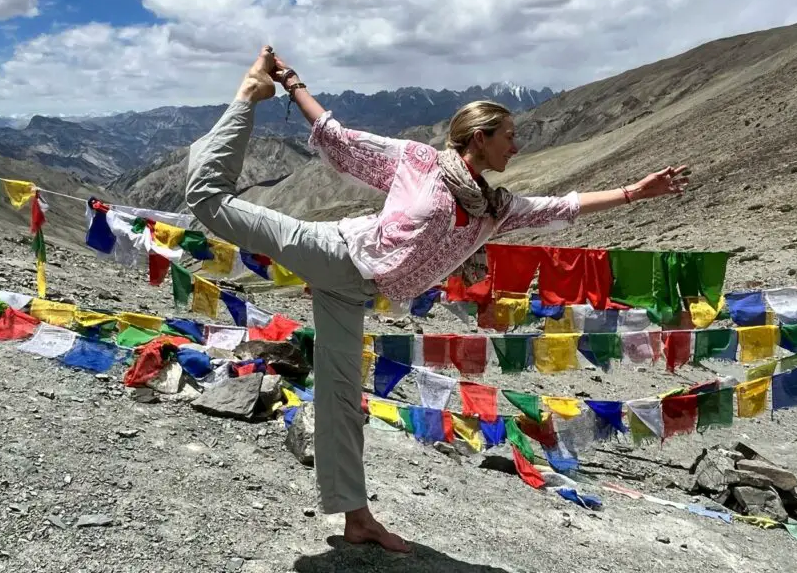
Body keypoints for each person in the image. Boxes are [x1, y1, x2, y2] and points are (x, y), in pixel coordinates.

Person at [185, 47, 688, 553]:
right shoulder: (419, 161)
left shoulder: (496, 208)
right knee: (207, 199)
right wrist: (291, 83)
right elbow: (342, 142)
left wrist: (633, 193)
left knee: (340, 399)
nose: (516, 147)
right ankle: (248, 96)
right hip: (336, 252)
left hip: (356, 293)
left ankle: (356, 518)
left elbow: (562, 206)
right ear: (479, 138)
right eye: (508, 137)